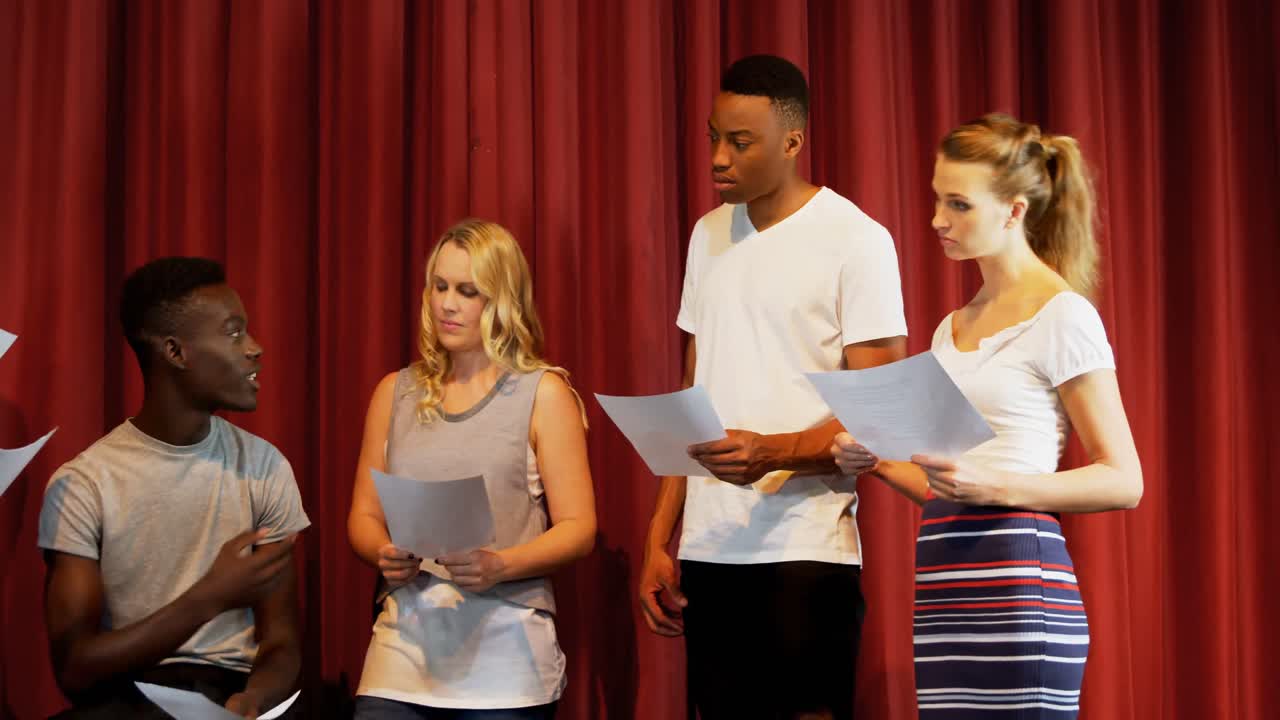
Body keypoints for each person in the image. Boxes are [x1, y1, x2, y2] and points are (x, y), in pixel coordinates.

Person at [833, 113, 1143, 719]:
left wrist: (993, 485)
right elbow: (944, 485)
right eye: (936, 200)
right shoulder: (954, 326)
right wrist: (874, 461)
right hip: (946, 582)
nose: (937, 221)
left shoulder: (1062, 314)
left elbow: (1123, 479)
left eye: (958, 204)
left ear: (1014, 211)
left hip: (1019, 582)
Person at [638, 55, 908, 720]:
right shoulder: (707, 236)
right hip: (710, 550)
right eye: (713, 138)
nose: (718, 160)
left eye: (740, 141)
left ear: (793, 142)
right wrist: (658, 535)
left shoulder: (857, 241)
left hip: (805, 551)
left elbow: (882, 418)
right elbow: (694, 390)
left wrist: (775, 451)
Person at [39, 257, 310, 718]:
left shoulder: (265, 467)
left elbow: (281, 641)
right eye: (232, 332)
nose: (255, 348)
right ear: (176, 352)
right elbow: (75, 668)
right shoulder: (84, 484)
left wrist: (252, 701)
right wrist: (209, 597)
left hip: (230, 690)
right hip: (127, 697)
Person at [347, 219, 596, 720]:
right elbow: (363, 517)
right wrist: (383, 553)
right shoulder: (394, 392)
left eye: (467, 291)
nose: (447, 304)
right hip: (403, 651)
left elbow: (579, 529)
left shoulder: (543, 393)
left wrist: (500, 566)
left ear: (501, 299)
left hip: (506, 663)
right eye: (439, 286)